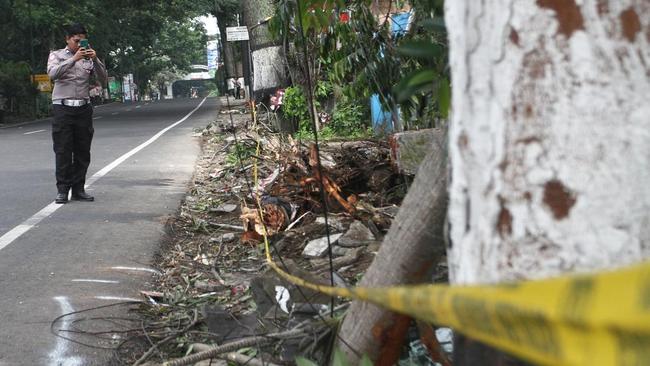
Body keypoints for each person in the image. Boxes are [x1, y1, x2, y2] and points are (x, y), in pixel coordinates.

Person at [47, 23, 107, 204]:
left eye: (83, 40)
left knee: (82, 151)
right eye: (76, 40)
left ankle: (79, 189)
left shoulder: (89, 58)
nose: (80, 44)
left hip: (83, 108)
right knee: (63, 150)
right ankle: (62, 191)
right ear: (68, 39)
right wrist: (74, 59)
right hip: (62, 108)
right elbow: (52, 74)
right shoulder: (56, 55)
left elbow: (103, 80)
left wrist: (95, 60)